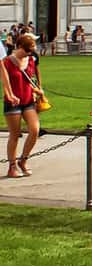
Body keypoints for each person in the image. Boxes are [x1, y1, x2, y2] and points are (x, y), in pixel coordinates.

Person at [2, 33, 44, 178]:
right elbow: (5, 82)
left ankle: (23, 160)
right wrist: (9, 95)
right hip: (13, 102)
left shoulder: (31, 60)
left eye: (30, 51)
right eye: (26, 50)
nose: (28, 53)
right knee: (14, 135)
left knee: (35, 130)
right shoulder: (6, 61)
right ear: (19, 47)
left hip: (28, 101)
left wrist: (38, 90)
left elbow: (31, 80)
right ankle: (12, 166)